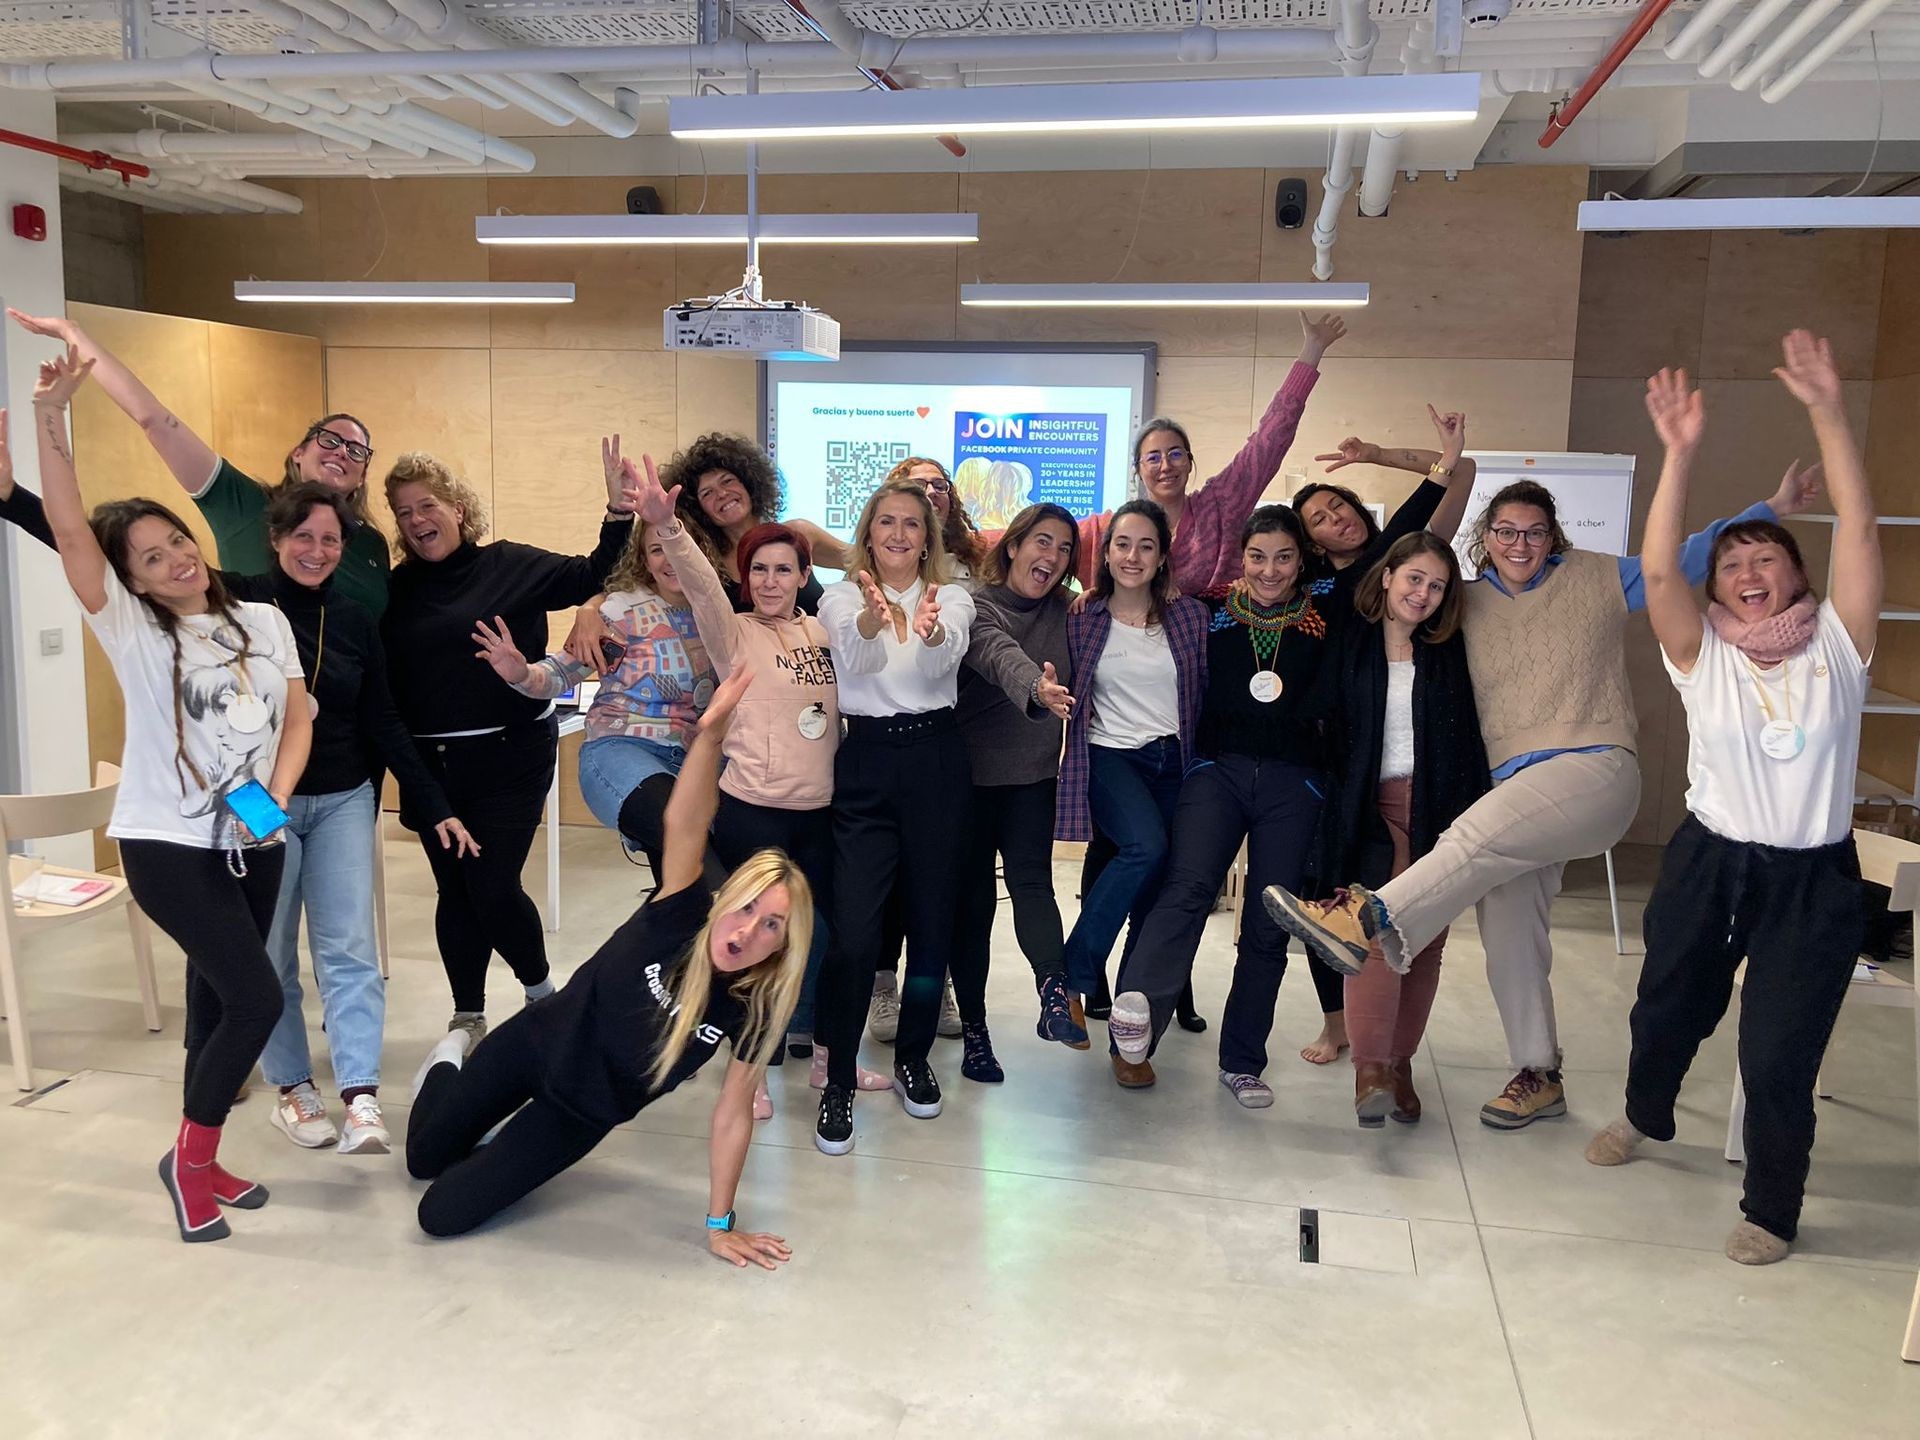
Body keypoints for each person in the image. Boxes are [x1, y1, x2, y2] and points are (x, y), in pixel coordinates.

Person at [1265, 457, 1823, 1130]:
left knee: (1468, 836)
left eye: (1534, 531)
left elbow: (1685, 556)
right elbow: (1404, 581)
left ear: (1552, 536)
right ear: (1488, 538)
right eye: (1506, 531)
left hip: (1594, 771)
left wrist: (1773, 505)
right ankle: (1539, 1071)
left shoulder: (1598, 577)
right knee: (1510, 931)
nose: (1520, 543)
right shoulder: (1465, 603)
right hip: (1518, 795)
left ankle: (1362, 917)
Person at [1585, 335, 1878, 1267]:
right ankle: (1643, 1114)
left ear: (1797, 577)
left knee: (1780, 1050)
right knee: (1668, 1005)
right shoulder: (1702, 656)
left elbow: (1863, 536)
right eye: (1735, 564)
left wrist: (1830, 411)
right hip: (1712, 860)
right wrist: (1678, 454)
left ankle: (1772, 1208)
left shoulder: (1839, 648)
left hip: (1812, 879)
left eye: (1769, 560)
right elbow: (1662, 572)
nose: (1750, 572)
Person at [17, 349, 311, 1243]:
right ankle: (187, 1165)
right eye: (150, 556)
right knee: (258, 1000)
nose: (175, 558)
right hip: (164, 845)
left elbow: (300, 717)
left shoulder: (263, 619)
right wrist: (50, 421)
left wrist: (271, 809)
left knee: (218, 1002)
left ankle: (205, 1156)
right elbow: (70, 533)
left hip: (251, 840)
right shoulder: (133, 632)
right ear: (131, 580)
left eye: (176, 540)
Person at [405, 667, 809, 1259]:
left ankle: (500, 1142)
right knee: (422, 1159)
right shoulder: (682, 906)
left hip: (577, 1112)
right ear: (726, 897)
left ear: (782, 944)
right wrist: (711, 736)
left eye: (771, 924)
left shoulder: (758, 1003)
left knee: (439, 1214)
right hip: (532, 1045)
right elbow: (685, 820)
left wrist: (720, 1226)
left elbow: (732, 1113)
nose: (749, 930)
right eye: (747, 907)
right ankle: (448, 1060)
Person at [633, 452, 891, 1107]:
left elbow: (868, 654)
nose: (771, 581)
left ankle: (832, 1057)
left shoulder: (824, 630)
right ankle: (748, 1075)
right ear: (745, 579)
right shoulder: (733, 634)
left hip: (823, 815)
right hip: (754, 814)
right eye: (759, 570)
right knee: (756, 948)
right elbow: (696, 580)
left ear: (804, 574)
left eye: (783, 569)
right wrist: (667, 527)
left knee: (838, 939)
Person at [381, 451, 633, 1041]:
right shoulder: (394, 591)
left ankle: (543, 995)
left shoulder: (508, 565)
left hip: (509, 756)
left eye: (427, 505)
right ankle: (467, 1013)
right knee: (456, 891)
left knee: (490, 885)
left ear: (458, 510)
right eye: (403, 512)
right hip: (430, 768)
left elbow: (592, 574)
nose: (417, 520)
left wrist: (619, 512)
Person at [1106, 505, 1338, 1103]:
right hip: (1218, 773)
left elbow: (1398, 551)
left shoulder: (1329, 609)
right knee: (1185, 891)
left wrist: (1444, 469)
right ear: (1242, 557)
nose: (1269, 570)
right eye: (1257, 556)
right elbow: (1136, 604)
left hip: (1295, 783)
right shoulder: (1207, 610)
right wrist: (1090, 600)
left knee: (1267, 920)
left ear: (1301, 559)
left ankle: (1241, 1060)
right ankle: (1135, 1033)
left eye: (1284, 557)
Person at [1284, 404, 1478, 1065]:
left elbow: (1457, 477)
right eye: (1319, 519)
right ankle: (1348, 1035)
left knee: (1407, 927)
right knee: (1346, 904)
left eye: (1339, 506)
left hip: (1424, 786)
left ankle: (1380, 1057)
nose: (1335, 517)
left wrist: (1374, 452)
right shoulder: (1335, 595)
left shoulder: (1408, 570)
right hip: (1349, 773)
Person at [6, 309, 390, 618]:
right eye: (330, 439)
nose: (342, 451)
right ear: (298, 453)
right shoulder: (244, 503)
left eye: (357, 450)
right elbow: (154, 419)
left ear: (362, 476)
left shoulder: (370, 544)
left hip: (352, 709)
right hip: (246, 697)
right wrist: (75, 337)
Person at [812, 478, 976, 1154]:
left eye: (913, 524)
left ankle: (913, 1056)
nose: (900, 535)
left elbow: (945, 661)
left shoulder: (956, 597)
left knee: (932, 924)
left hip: (937, 761)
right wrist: (876, 623)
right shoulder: (841, 596)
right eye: (887, 523)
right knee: (855, 932)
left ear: (929, 536)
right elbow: (857, 658)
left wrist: (932, 630)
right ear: (869, 532)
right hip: (867, 763)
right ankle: (839, 1083)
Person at [1316, 533, 1488, 1126]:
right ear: (1387, 576)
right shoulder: (1348, 640)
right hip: (1368, 808)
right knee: (1375, 929)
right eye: (1414, 578)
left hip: (1437, 810)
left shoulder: (1447, 652)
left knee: (1426, 944)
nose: (1424, 593)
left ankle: (1399, 1062)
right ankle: (1369, 1069)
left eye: (1437, 586)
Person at [470, 502, 718, 878]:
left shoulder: (715, 611)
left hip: (693, 759)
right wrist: (520, 672)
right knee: (688, 848)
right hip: (624, 749)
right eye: (655, 549)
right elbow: (558, 676)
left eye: (675, 542)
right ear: (643, 559)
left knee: (683, 887)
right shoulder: (620, 612)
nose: (668, 558)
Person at [1055, 500, 1209, 1056]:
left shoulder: (1188, 616)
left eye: (1147, 545)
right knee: (1144, 847)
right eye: (1123, 544)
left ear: (1163, 555)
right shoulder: (1081, 616)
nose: (1133, 556)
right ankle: (1072, 977)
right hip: (1109, 756)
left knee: (1158, 896)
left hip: (1175, 761)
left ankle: (1132, 1035)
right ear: (1106, 552)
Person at [952, 503, 1082, 1080]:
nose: (1050, 557)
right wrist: (1038, 686)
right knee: (973, 905)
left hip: (1033, 776)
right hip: (970, 781)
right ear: (1012, 546)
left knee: (1034, 883)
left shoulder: (1068, 611)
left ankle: (1053, 993)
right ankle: (975, 1033)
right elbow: (995, 653)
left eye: (1063, 549)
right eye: (1041, 542)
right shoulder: (975, 605)